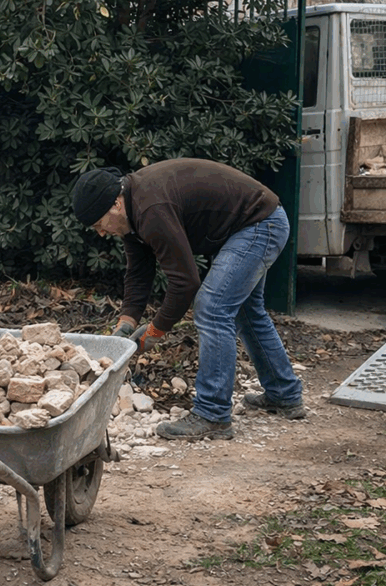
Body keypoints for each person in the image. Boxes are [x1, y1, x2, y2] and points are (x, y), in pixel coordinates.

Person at [71, 158, 305, 441]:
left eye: (99, 224)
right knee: (246, 312)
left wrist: (155, 330)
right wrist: (126, 322)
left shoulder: (151, 209)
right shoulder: (132, 209)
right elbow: (138, 273)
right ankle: (283, 393)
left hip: (260, 224)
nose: (101, 232)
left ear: (115, 205)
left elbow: (185, 282)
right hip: (253, 223)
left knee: (212, 308)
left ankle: (212, 414)